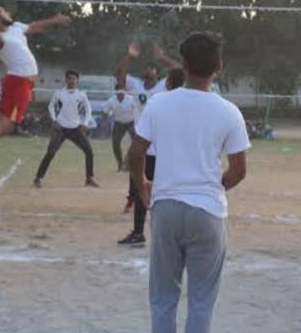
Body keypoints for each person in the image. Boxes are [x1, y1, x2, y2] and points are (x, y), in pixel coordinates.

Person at [127, 33, 248, 333]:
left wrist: (143, 184)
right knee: (201, 302)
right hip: (207, 211)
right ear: (219, 66)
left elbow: (135, 153)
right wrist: (214, 186)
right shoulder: (229, 111)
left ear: (183, 64)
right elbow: (238, 171)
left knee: (163, 299)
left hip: (166, 208)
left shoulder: (159, 104)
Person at [0, 6, 70, 169]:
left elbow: (33, 26)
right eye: (3, 12)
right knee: (7, 124)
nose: (7, 13)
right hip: (19, 82)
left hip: (19, 82)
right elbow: (0, 41)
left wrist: (54, 20)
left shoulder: (15, 27)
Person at [115, 40, 181, 245]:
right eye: (148, 67)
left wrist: (162, 57)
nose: (150, 70)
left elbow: (179, 70)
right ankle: (138, 233)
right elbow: (119, 74)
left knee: (164, 190)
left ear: (158, 74)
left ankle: (170, 234)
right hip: (143, 146)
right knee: (138, 189)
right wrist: (130, 56)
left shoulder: (163, 86)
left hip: (161, 148)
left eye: (154, 68)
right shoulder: (135, 85)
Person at [34, 70, 97, 187]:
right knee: (50, 153)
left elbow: (89, 109)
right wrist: (54, 120)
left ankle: (89, 178)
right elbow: (51, 106)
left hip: (76, 128)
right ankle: (38, 178)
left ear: (77, 81)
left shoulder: (81, 94)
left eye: (74, 78)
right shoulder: (59, 93)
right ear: (66, 80)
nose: (72, 81)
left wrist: (85, 123)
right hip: (61, 129)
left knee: (89, 152)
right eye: (69, 78)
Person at [105, 83, 137, 173]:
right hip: (118, 123)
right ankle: (120, 164)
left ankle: (129, 163)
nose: (120, 93)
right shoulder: (111, 100)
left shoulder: (131, 99)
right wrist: (104, 118)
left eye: (122, 90)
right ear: (116, 92)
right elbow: (106, 112)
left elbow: (137, 110)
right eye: (118, 90)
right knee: (115, 143)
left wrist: (138, 122)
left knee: (136, 143)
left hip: (131, 123)